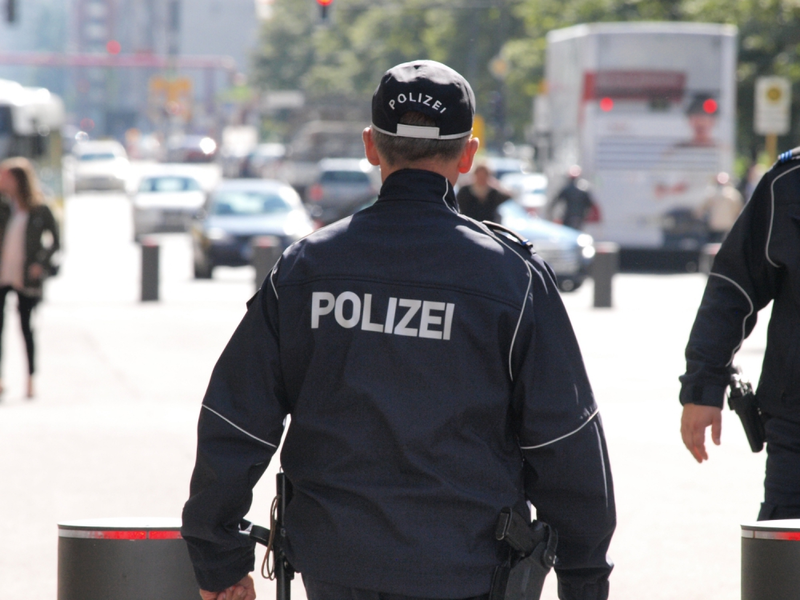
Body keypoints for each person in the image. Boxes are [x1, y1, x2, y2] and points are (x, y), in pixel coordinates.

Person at [182, 60, 616, 600]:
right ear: (467, 155)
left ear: (371, 146)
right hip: (468, 570)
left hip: (335, 568)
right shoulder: (512, 279)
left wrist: (217, 556)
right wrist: (584, 579)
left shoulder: (304, 269)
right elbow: (564, 440)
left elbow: (236, 418)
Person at [679, 146, 800, 520]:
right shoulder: (790, 182)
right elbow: (733, 289)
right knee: (784, 568)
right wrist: (703, 387)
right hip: (797, 426)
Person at [0, 157, 60, 399]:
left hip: (26, 277)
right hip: (3, 274)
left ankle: (30, 378)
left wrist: (40, 263)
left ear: (18, 180)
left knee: (27, 327)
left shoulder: (40, 209)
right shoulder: (3, 207)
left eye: (6, 176)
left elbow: (56, 241)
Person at [693, 172, 744, 243]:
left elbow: (700, 211)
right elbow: (739, 211)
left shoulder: (712, 194)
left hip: (715, 226)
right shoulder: (734, 194)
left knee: (714, 245)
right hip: (728, 226)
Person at [548, 165, 595, 230]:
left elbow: (555, 201)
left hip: (568, 216)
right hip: (579, 217)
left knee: (568, 234)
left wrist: (551, 215)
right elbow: (590, 205)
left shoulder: (567, 189)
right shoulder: (584, 189)